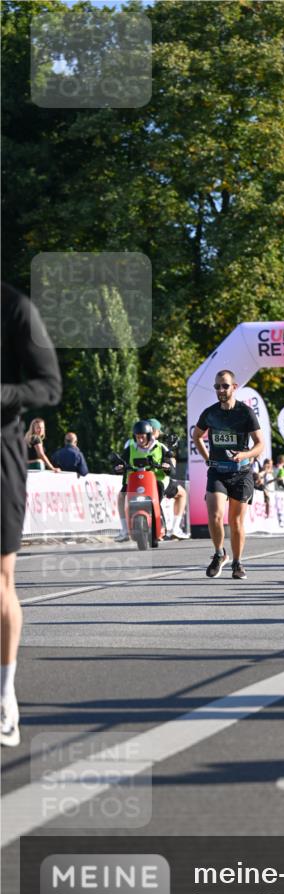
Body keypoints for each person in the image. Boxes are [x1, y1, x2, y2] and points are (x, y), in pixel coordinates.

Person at [1, 283, 62, 747]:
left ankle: (4, 696)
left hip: (1, 454)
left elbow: (49, 386)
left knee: (0, 580)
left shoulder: (15, 308)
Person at [193, 369, 264, 579]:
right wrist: (207, 458)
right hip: (218, 472)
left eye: (224, 386)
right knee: (214, 515)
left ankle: (238, 562)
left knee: (236, 523)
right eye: (217, 386)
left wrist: (245, 454)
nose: (221, 390)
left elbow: (260, 445)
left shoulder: (245, 413)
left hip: (241, 473)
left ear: (234, 387)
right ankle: (218, 554)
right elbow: (197, 436)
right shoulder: (210, 413)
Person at [114, 420, 182, 540]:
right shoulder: (130, 449)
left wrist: (166, 466)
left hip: (156, 481)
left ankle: (163, 525)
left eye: (142, 437)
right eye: (137, 437)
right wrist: (118, 466)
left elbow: (171, 467)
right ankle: (124, 530)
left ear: (149, 436)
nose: (140, 440)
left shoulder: (160, 448)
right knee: (121, 496)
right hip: (135, 481)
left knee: (158, 497)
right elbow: (120, 463)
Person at [147, 418, 189, 539]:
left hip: (137, 480)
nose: (159, 434)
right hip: (158, 481)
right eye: (158, 431)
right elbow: (171, 468)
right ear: (155, 431)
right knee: (182, 494)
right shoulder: (159, 446)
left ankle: (124, 530)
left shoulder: (132, 444)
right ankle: (174, 528)